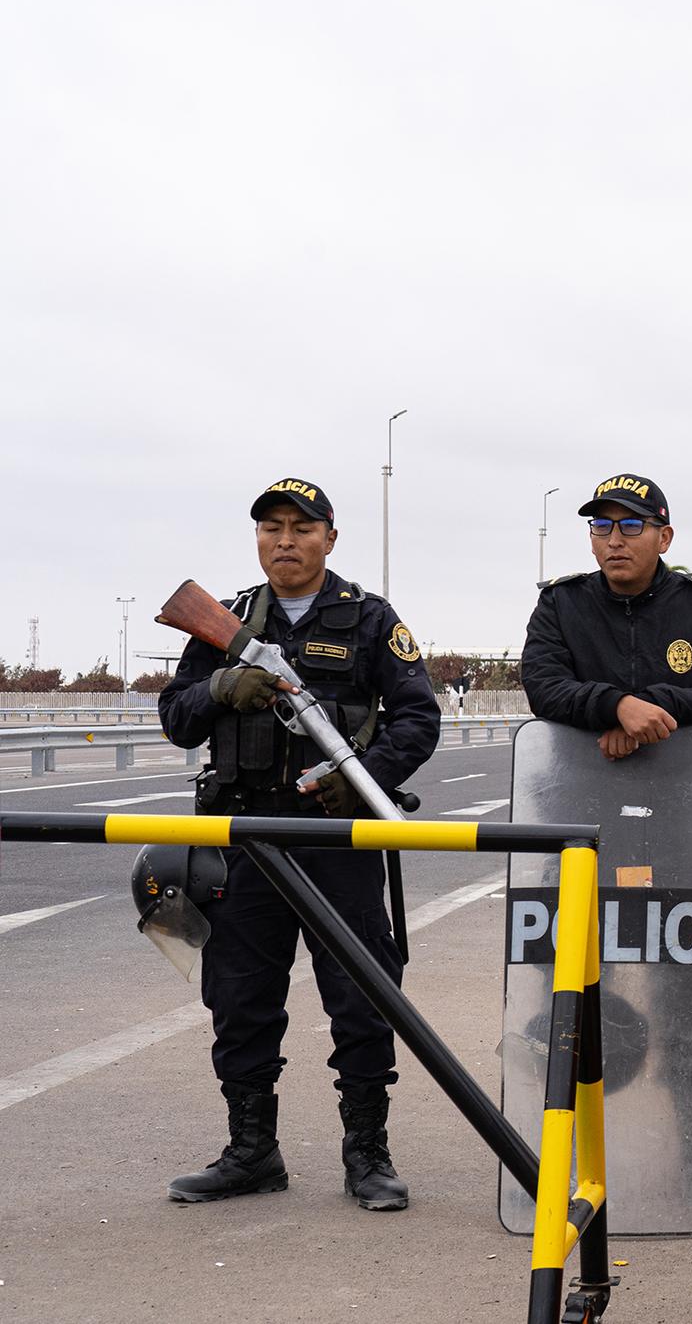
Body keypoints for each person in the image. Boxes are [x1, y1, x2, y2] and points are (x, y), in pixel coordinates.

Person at [158, 478, 441, 1210]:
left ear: (330, 539)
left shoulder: (371, 620)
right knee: (242, 999)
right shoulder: (223, 618)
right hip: (245, 834)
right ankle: (252, 1152)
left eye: (301, 528)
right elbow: (177, 718)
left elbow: (417, 717)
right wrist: (223, 688)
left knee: (362, 996)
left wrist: (363, 779)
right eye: (271, 528)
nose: (285, 540)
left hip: (335, 840)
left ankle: (367, 1155)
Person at [521, 473, 692, 752]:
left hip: (688, 776)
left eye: (631, 526)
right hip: (580, 777)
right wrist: (616, 706)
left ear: (664, 538)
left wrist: (646, 708)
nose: (614, 540)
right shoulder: (560, 602)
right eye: (602, 526)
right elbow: (543, 686)